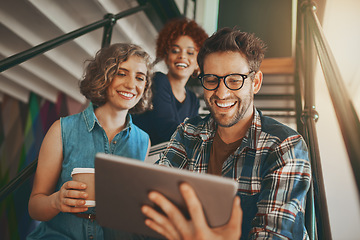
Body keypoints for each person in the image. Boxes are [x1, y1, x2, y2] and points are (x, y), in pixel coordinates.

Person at [141, 28, 312, 239]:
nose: (221, 93)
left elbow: (274, 235)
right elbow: (157, 202)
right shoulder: (188, 132)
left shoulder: (285, 146)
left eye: (234, 80)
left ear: (255, 83)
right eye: (211, 79)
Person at [27, 43, 153, 239]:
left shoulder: (144, 141)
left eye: (140, 77)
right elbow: (35, 207)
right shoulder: (62, 130)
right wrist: (56, 201)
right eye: (121, 73)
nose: (131, 84)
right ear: (104, 77)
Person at [133, 17, 208, 146]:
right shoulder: (158, 81)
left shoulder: (192, 100)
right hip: (141, 157)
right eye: (175, 51)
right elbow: (167, 131)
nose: (182, 56)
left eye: (190, 53)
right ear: (166, 57)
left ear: (198, 63)